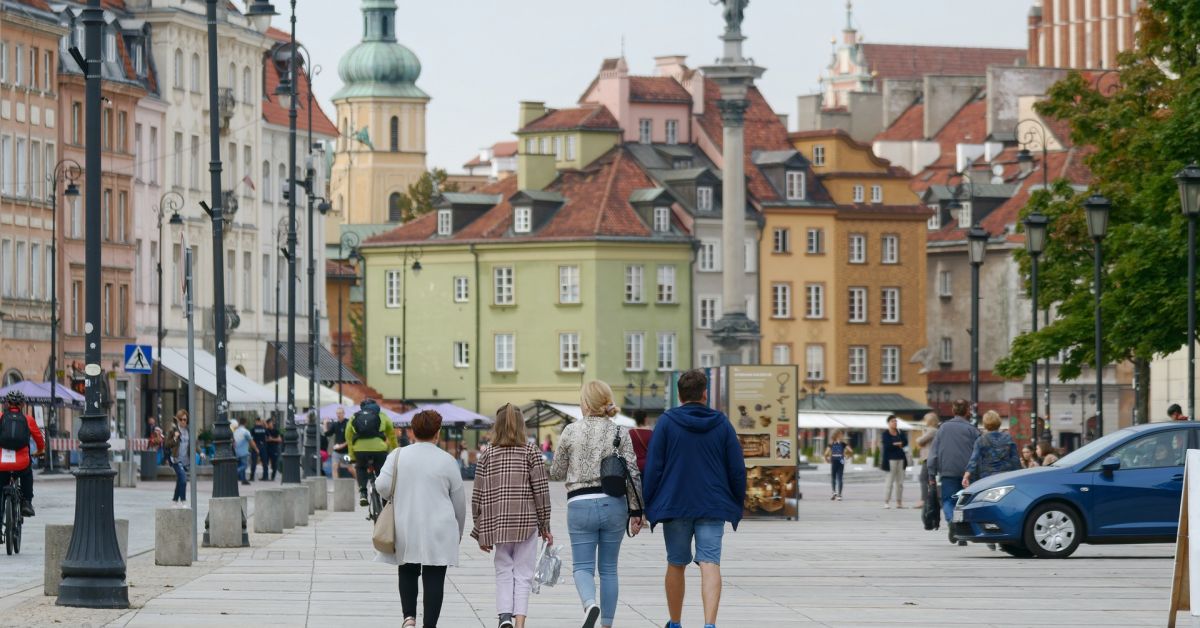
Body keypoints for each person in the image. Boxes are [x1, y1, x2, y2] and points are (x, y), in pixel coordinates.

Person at [642, 369, 745, 628]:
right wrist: (735, 500)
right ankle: (709, 624)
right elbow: (736, 468)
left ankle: (675, 622)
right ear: (705, 394)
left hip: (675, 504)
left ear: (679, 395)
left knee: (676, 563)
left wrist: (647, 503)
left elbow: (653, 466)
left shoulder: (666, 422)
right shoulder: (721, 423)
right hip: (712, 504)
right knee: (710, 562)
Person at [550, 381, 643, 628]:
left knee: (582, 567)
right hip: (614, 504)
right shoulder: (620, 432)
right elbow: (633, 472)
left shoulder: (571, 431)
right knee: (609, 569)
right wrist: (637, 510)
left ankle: (590, 604)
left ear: (585, 403)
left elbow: (557, 472)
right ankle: (607, 624)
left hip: (580, 505)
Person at [375, 409, 466, 628]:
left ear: (413, 432)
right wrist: (458, 533)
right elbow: (459, 503)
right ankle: (430, 625)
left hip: (406, 522)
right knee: (434, 577)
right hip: (439, 527)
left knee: (407, 569)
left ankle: (409, 618)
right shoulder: (447, 461)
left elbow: (382, 486)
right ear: (437, 433)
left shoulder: (397, 455)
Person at [471, 404, 552, 628]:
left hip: (498, 523)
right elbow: (542, 492)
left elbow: (477, 493)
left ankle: (504, 616)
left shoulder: (487, 454)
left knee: (503, 569)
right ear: (521, 426)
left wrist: (479, 529)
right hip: (526, 521)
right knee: (524, 574)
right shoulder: (531, 452)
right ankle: (520, 623)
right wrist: (545, 525)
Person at [928, 400, 979, 546]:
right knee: (965, 503)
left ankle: (952, 521)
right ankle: (962, 533)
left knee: (948, 501)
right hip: (968, 473)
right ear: (967, 411)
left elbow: (933, 453)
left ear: (953, 410)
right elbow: (978, 452)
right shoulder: (972, 430)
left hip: (948, 471)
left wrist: (931, 474)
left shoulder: (943, 428)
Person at [0, 391, 43, 517]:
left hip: (2, 463)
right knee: (27, 474)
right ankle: (27, 503)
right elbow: (39, 440)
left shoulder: (1, 417)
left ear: (7, 404)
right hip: (21, 463)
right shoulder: (28, 419)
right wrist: (40, 451)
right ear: (22, 404)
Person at [347, 399, 398, 505]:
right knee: (382, 472)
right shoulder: (382, 416)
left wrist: (352, 455)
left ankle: (363, 493)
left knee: (360, 468)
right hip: (379, 450)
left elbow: (348, 436)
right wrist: (394, 450)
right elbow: (392, 435)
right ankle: (385, 499)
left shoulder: (355, 416)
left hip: (360, 450)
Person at [962, 411, 1021, 489]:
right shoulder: (1008, 438)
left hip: (988, 478)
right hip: (1006, 477)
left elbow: (974, 460)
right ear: (999, 422)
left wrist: (966, 476)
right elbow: (1015, 460)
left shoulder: (981, 440)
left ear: (985, 423)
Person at [881, 415, 908, 509]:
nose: (895, 423)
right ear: (888, 423)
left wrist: (897, 444)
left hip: (901, 459)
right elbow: (888, 446)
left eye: (896, 421)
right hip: (890, 460)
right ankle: (886, 501)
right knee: (889, 481)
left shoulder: (900, 432)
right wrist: (898, 444)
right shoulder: (885, 434)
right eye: (893, 421)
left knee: (900, 482)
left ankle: (899, 502)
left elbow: (905, 442)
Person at [164, 411, 190, 503]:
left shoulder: (188, 431)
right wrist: (175, 438)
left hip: (186, 460)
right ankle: (183, 500)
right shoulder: (173, 431)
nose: (183, 421)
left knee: (180, 480)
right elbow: (167, 445)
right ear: (178, 420)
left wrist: (200, 452)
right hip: (176, 459)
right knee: (183, 479)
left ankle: (175, 500)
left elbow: (194, 444)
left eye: (185, 419)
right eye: (181, 419)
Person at [915, 413, 939, 509]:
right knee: (930, 480)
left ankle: (923, 500)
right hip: (931, 457)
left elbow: (920, 441)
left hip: (929, 458)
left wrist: (921, 435)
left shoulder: (932, 431)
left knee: (923, 478)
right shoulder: (934, 430)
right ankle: (933, 500)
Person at [823, 430, 852, 500]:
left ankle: (834, 493)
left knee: (833, 477)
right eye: (842, 435)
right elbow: (851, 451)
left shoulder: (831, 443)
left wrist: (827, 459)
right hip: (841, 461)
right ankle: (839, 495)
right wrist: (847, 457)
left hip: (834, 461)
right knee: (840, 478)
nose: (843, 436)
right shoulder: (843, 444)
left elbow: (826, 453)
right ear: (839, 435)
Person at [326, 406, 353, 479]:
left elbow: (351, 438)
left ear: (344, 414)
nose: (338, 415)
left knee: (350, 468)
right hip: (336, 452)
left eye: (340, 413)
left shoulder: (348, 423)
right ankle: (336, 486)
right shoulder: (335, 424)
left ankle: (359, 483)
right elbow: (327, 434)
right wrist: (325, 424)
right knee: (334, 467)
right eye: (337, 413)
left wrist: (343, 445)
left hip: (346, 452)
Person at [231, 419, 257, 486]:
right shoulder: (246, 431)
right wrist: (256, 449)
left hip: (236, 451)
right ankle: (234, 473)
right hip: (244, 452)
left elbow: (233, 441)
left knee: (241, 465)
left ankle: (243, 480)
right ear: (245, 423)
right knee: (245, 465)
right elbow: (251, 441)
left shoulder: (235, 431)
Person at [250, 416, 268, 482]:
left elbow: (251, 439)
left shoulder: (253, 429)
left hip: (255, 446)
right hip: (263, 446)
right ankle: (265, 477)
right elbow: (268, 437)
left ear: (255, 421)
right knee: (264, 462)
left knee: (254, 462)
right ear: (260, 421)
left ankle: (252, 477)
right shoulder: (264, 429)